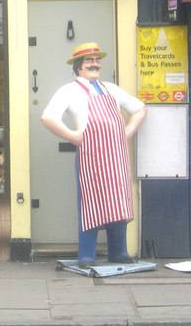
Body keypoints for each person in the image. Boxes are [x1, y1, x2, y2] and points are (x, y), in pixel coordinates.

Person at [41, 42, 147, 269]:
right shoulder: (69, 90)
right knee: (91, 203)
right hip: (91, 157)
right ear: (79, 66)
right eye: (89, 61)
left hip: (117, 158)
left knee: (118, 201)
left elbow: (140, 108)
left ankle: (118, 251)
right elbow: (47, 117)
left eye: (97, 60)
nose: (95, 64)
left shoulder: (111, 89)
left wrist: (126, 131)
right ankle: (86, 254)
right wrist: (73, 136)